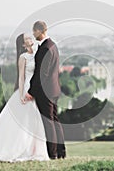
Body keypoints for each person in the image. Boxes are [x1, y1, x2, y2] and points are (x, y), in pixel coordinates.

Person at [0, 33, 49, 163]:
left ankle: (34, 150)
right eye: (27, 39)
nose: (31, 39)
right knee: (24, 120)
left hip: (35, 90)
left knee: (34, 120)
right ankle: (19, 149)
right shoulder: (23, 57)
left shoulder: (36, 54)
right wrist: (23, 93)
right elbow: (21, 77)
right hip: (27, 90)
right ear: (23, 45)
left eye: (30, 37)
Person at [25, 21, 66, 159]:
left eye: (34, 31)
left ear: (40, 30)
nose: (33, 33)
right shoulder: (53, 45)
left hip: (46, 91)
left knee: (49, 123)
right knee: (55, 121)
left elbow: (42, 74)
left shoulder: (45, 48)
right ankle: (61, 152)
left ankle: (53, 154)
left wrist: (31, 91)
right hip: (54, 89)